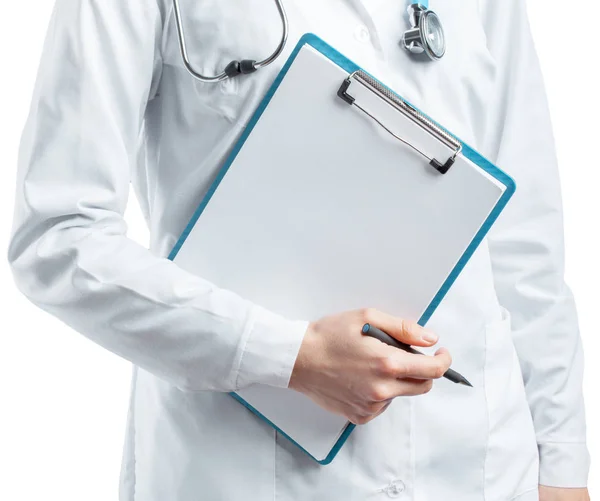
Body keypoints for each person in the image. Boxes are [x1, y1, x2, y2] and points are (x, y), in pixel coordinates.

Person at [7, 0, 591, 500]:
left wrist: (563, 463)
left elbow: (525, 246)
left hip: (482, 464)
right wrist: (291, 356)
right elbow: (59, 233)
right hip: (241, 465)